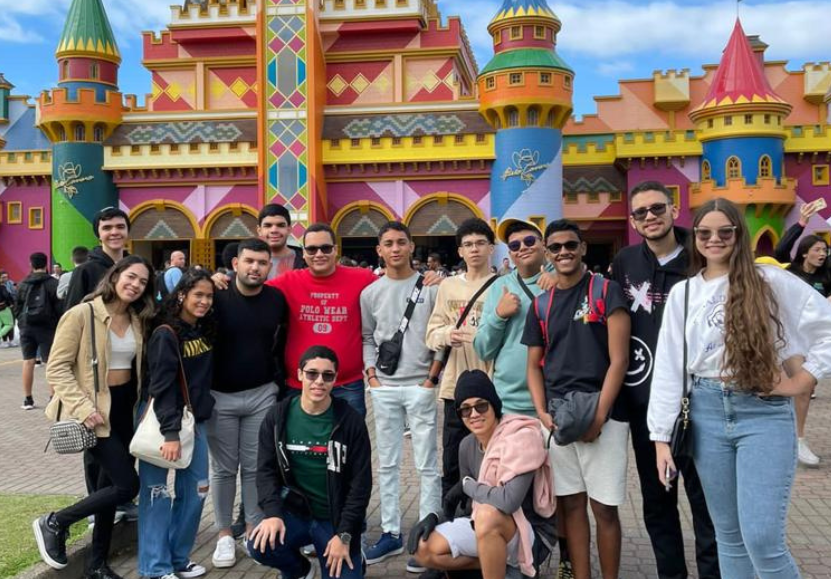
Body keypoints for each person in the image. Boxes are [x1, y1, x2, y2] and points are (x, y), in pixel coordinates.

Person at [649, 197, 831, 579]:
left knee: (763, 540)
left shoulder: (770, 281)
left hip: (762, 412)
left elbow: (825, 326)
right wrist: (661, 438)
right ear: (695, 237)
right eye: (704, 233)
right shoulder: (684, 293)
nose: (714, 239)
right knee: (728, 538)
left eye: (724, 232)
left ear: (738, 234)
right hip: (706, 413)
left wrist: (802, 380)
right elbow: (669, 366)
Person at [609, 181, 719, 579]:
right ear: (633, 220)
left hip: (699, 404)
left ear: (674, 209)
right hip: (647, 406)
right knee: (658, 504)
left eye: (657, 208)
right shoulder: (625, 261)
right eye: (641, 212)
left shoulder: (700, 253)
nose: (650, 217)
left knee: (706, 506)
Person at [34, 256, 155, 579]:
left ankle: (96, 564)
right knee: (127, 485)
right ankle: (55, 521)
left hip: (126, 408)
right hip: (95, 411)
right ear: (115, 276)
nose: (135, 285)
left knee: (109, 487)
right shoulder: (82, 314)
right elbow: (56, 368)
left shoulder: (137, 318)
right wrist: (84, 408)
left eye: (143, 282)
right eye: (131, 277)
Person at [523, 219, 630, 579]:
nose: (564, 252)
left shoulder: (606, 291)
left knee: (605, 509)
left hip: (605, 415)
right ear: (547, 253)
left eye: (571, 245)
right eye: (555, 247)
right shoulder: (541, 304)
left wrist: (599, 416)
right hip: (558, 417)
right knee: (570, 507)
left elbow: (619, 360)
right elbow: (533, 365)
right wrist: (541, 412)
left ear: (583, 248)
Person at [409, 370, 555, 579]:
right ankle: (496, 563)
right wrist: (435, 517)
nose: (474, 414)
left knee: (488, 513)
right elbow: (467, 504)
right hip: (488, 529)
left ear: (494, 405)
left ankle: (514, 568)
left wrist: (467, 485)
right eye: (465, 409)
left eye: (481, 406)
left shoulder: (521, 438)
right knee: (423, 548)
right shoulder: (467, 445)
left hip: (529, 533)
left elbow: (508, 501)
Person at [247, 345, 371, 579]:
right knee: (259, 546)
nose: (319, 381)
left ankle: (355, 556)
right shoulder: (278, 416)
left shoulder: (350, 421)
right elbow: (265, 471)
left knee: (346, 573)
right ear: (300, 374)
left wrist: (345, 535)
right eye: (312, 373)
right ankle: (300, 570)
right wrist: (273, 514)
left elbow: (361, 485)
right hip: (296, 513)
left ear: (335, 379)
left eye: (327, 375)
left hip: (334, 519)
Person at [360, 222, 442, 569]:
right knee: (388, 463)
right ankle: (391, 532)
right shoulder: (370, 293)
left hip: (421, 385)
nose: (395, 249)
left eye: (401, 242)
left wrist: (431, 379)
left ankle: (427, 536)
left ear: (411, 246)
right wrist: (372, 377)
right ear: (379, 250)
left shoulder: (432, 287)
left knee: (427, 464)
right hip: (385, 388)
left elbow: (439, 335)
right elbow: (367, 337)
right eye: (388, 243)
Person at [208, 238, 288, 568]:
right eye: (249, 261)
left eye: (262, 262)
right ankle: (224, 533)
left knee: (257, 466)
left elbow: (282, 341)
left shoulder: (276, 299)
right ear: (235, 263)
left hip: (261, 393)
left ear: (269, 266)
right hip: (219, 396)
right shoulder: (216, 296)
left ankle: (254, 528)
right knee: (224, 469)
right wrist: (207, 279)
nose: (255, 267)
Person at [137, 268, 216, 579]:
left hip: (194, 421)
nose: (204, 301)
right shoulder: (165, 333)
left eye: (209, 296)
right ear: (182, 295)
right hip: (164, 422)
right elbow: (162, 386)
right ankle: (155, 568)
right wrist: (170, 433)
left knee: (197, 490)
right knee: (156, 493)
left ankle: (178, 559)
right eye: (198, 294)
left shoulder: (203, 329)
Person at [268, 223, 377, 418]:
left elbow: (396, 284)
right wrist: (219, 281)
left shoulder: (362, 278)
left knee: (350, 437)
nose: (319, 254)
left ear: (335, 249)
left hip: (347, 385)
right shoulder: (288, 281)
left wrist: (428, 279)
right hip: (301, 385)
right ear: (304, 253)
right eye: (312, 249)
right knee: (299, 437)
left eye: (325, 248)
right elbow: (252, 289)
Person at [426, 218, 497, 499]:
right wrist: (447, 334)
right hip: (454, 387)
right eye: (468, 244)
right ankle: (452, 514)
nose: (474, 249)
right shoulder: (448, 287)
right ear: (460, 251)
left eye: (480, 243)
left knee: (493, 461)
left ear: (491, 248)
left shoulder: (503, 285)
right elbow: (431, 333)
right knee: (453, 460)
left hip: (493, 386)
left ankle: (489, 514)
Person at [773, 201, 830, 467]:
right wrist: (802, 222)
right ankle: (792, 439)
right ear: (805, 252)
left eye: (825, 250)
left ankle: (795, 438)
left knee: (804, 388)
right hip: (786, 338)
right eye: (817, 249)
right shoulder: (791, 271)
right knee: (797, 388)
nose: (822, 254)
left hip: (813, 341)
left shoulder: (827, 276)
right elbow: (780, 250)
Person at [14, 252, 61, 410]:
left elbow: (17, 306)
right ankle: (53, 398)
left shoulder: (23, 283)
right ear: (46, 264)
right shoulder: (53, 283)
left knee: (28, 361)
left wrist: (22, 323)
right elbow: (59, 307)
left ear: (31, 264)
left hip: (27, 327)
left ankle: (28, 399)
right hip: (47, 328)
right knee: (50, 363)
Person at [65, 207, 131, 309]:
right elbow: (72, 313)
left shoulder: (137, 267)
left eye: (120, 227)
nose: (114, 232)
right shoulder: (84, 271)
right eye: (107, 228)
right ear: (98, 234)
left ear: (127, 231)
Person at [257, 204, 305, 280]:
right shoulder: (250, 261)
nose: (274, 230)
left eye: (280, 225)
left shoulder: (306, 259)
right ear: (259, 230)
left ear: (289, 229)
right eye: (268, 225)